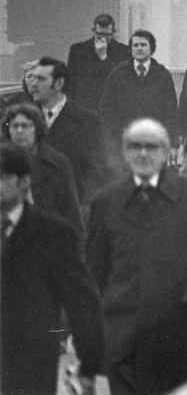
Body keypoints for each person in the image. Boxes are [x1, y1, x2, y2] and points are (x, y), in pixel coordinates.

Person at [87, 119, 187, 393]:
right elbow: (94, 268)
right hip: (123, 328)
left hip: (177, 327)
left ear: (165, 152)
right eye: (135, 146)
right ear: (125, 152)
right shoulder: (106, 202)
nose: (143, 153)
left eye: (151, 147)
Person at [0, 142, 103, 395]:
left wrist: (89, 361)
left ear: (24, 183)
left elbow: (80, 300)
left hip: (29, 361)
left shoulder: (53, 233)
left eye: (1, 177)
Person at [28, 56, 108, 206]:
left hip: (72, 209)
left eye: (41, 79)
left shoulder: (87, 121)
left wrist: (83, 206)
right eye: (32, 78)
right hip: (32, 211)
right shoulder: (22, 120)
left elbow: (98, 170)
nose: (33, 84)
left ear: (58, 83)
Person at [2, 103, 83, 236]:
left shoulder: (57, 163)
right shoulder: (3, 162)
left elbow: (71, 213)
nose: (20, 131)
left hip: (47, 239)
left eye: (26, 126)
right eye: (15, 126)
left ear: (37, 129)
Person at [99, 29, 179, 151]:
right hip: (124, 142)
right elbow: (106, 107)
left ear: (151, 48)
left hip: (154, 141)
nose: (139, 48)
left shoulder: (163, 75)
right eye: (135, 45)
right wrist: (119, 132)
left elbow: (171, 111)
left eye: (143, 45)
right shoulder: (118, 73)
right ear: (131, 49)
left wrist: (173, 144)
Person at [66, 13, 131, 113]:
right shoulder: (78, 50)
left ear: (113, 32)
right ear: (94, 31)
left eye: (107, 35)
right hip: (83, 109)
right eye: (99, 34)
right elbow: (70, 83)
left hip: (109, 109)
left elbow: (120, 81)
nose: (102, 38)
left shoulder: (124, 52)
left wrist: (103, 56)